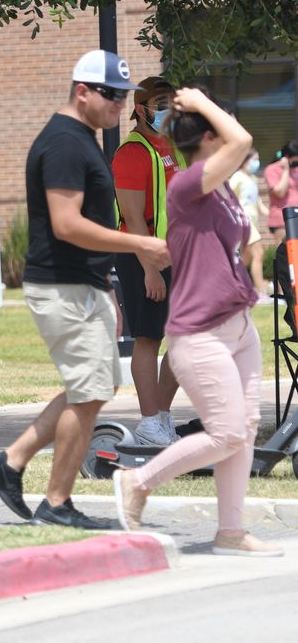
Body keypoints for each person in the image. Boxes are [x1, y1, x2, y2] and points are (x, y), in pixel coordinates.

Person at [0, 50, 170, 529]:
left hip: (82, 284)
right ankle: (57, 502)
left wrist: (103, 282)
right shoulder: (64, 143)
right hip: (61, 286)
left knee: (94, 387)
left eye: (124, 96)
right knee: (87, 395)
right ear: (82, 90)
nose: (119, 105)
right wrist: (140, 244)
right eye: (111, 94)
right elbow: (67, 224)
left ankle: (11, 462)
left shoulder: (81, 137)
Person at [112, 88, 283, 557]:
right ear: (210, 137)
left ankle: (230, 531)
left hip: (237, 325)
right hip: (199, 331)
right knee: (226, 430)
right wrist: (202, 101)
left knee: (243, 428)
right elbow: (242, 138)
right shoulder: (187, 185)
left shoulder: (221, 189)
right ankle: (138, 481)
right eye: (220, 127)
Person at [111, 75, 184, 446]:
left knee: (186, 338)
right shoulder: (132, 153)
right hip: (143, 256)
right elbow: (134, 217)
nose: (167, 110)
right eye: (160, 104)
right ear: (140, 110)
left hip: (176, 255)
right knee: (148, 338)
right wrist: (150, 269)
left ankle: (163, 416)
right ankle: (149, 421)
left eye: (171, 102)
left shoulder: (171, 145)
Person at [229, 149, 270, 297]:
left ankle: (230, 283)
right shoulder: (237, 177)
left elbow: (258, 203)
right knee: (258, 253)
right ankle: (260, 291)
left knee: (245, 258)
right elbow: (227, 196)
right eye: (254, 159)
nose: (257, 163)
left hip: (253, 221)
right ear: (245, 160)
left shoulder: (253, 178)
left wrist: (271, 215)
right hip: (243, 221)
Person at [264, 139, 298, 244]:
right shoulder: (272, 169)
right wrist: (285, 170)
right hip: (281, 219)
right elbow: (279, 193)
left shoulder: (296, 169)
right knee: (287, 254)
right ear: (288, 157)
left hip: (296, 215)